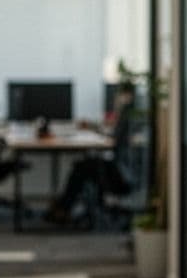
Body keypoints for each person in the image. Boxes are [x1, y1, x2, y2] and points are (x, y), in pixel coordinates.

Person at [44, 82, 138, 226]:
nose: (116, 98)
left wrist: (96, 128)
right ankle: (64, 207)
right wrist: (95, 127)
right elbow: (113, 136)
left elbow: (113, 140)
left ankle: (63, 207)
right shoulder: (130, 111)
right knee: (84, 165)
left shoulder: (127, 111)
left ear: (125, 95)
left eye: (119, 95)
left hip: (121, 172)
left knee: (82, 167)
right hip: (123, 168)